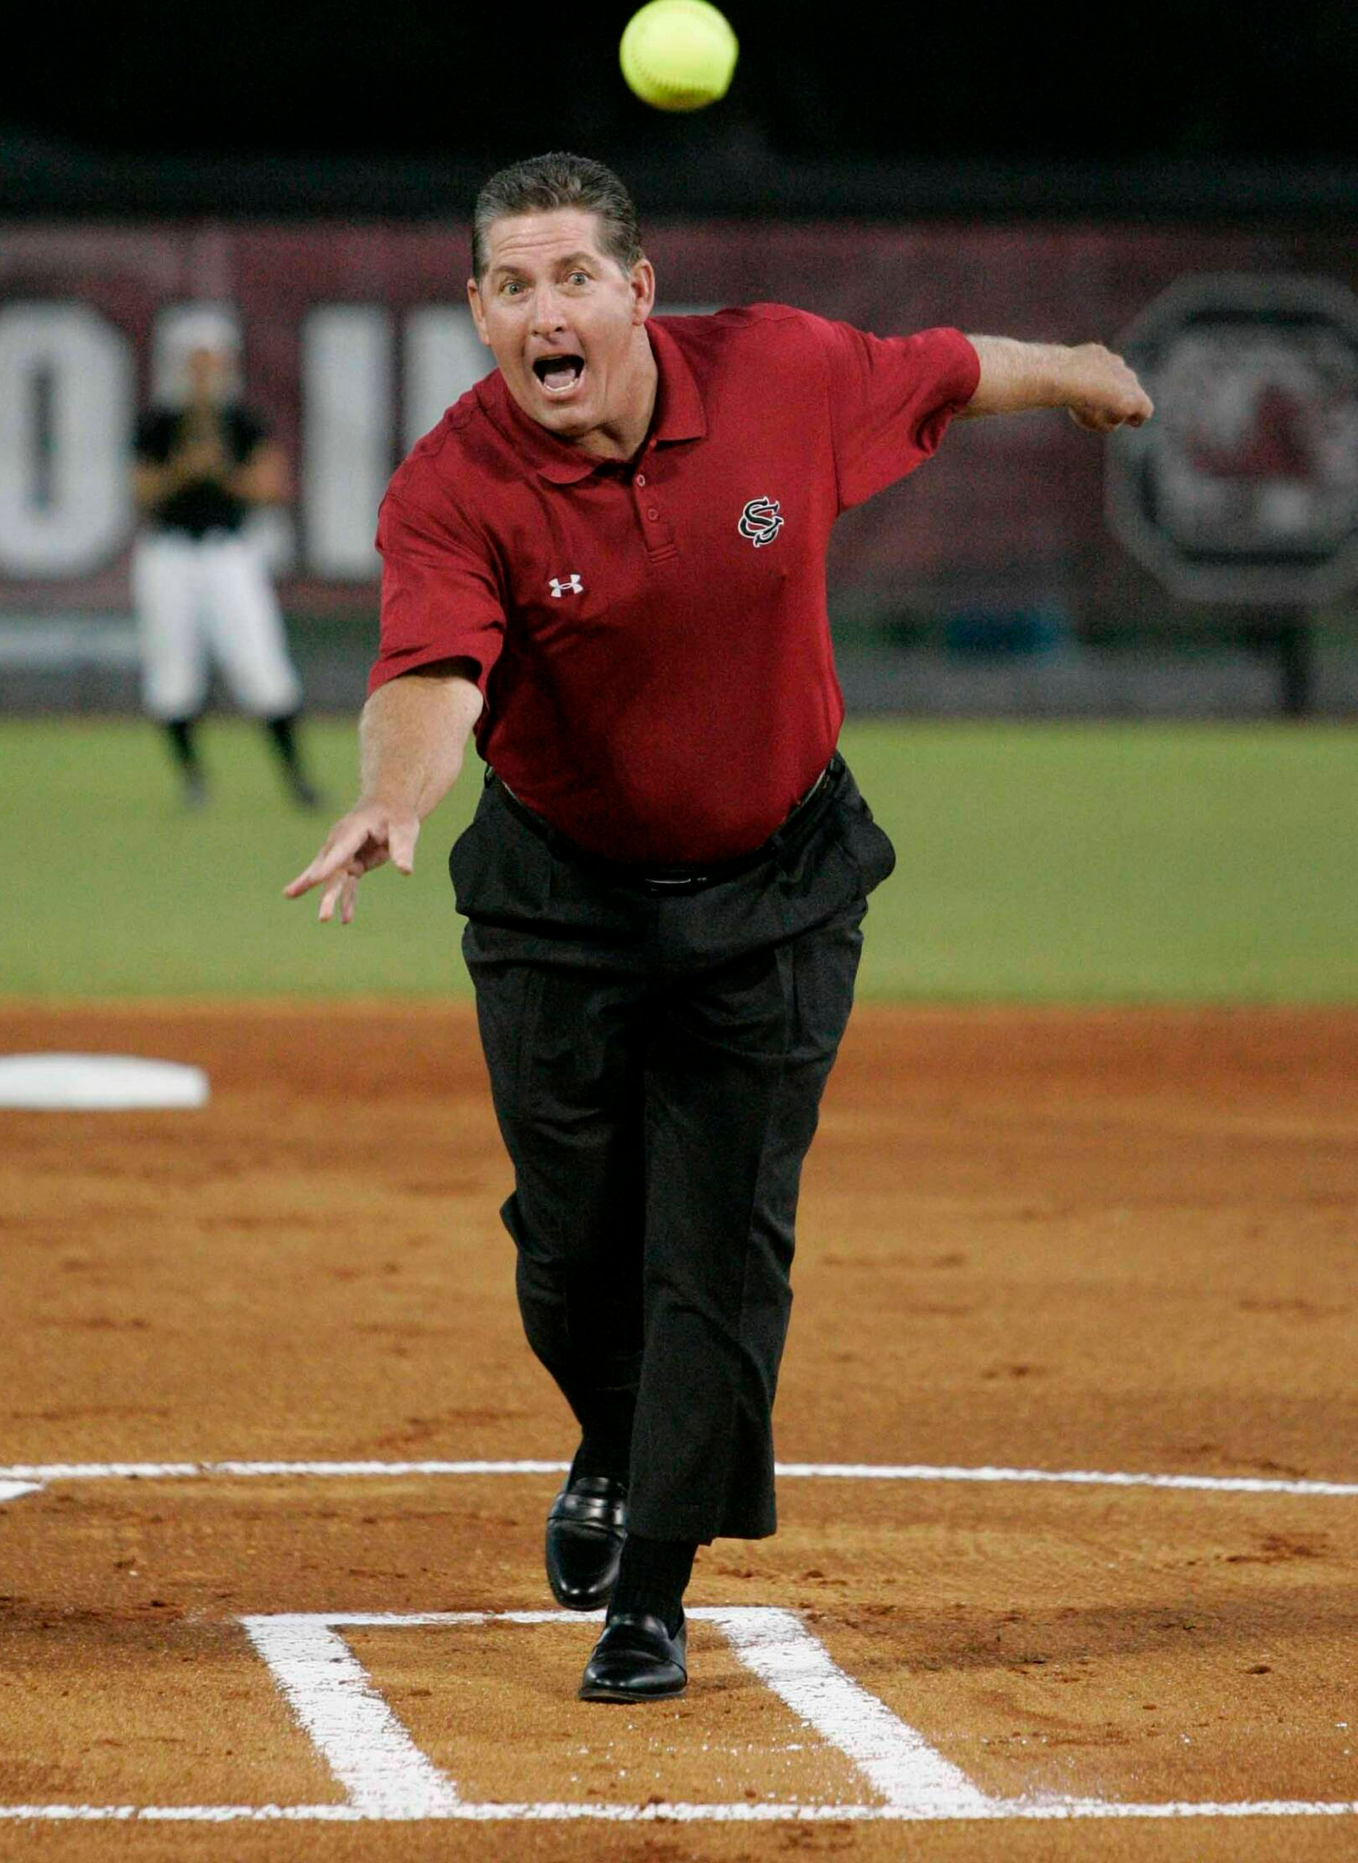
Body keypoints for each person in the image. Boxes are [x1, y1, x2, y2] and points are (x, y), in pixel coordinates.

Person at [286, 151, 1152, 1704]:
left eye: (571, 277)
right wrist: (393, 798)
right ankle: (611, 1439)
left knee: (715, 1253)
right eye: (510, 284)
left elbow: (955, 364)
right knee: (568, 1250)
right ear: (479, 314)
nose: (543, 309)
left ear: (636, 290)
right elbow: (429, 676)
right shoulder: (453, 481)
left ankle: (651, 1584)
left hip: (775, 892)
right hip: (561, 901)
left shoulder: (779, 372)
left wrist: (1078, 369)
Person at [133, 341, 321, 809]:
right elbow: (140, 490)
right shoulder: (159, 424)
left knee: (260, 664)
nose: (202, 378)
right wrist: (183, 470)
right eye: (195, 367)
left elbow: (269, 486)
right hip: (169, 553)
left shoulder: (244, 423)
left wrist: (218, 472)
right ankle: (193, 781)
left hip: (228, 553)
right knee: (172, 671)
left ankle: (296, 778)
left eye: (210, 367)